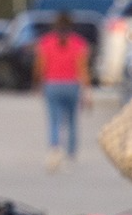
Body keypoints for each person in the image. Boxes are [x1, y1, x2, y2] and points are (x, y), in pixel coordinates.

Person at [36, 10, 92, 172]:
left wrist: (39, 83)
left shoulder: (46, 42)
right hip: (72, 85)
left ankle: (55, 148)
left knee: (54, 120)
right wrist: (87, 90)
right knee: (72, 120)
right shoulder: (79, 43)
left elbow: (41, 66)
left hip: (52, 84)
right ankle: (71, 152)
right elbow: (83, 69)